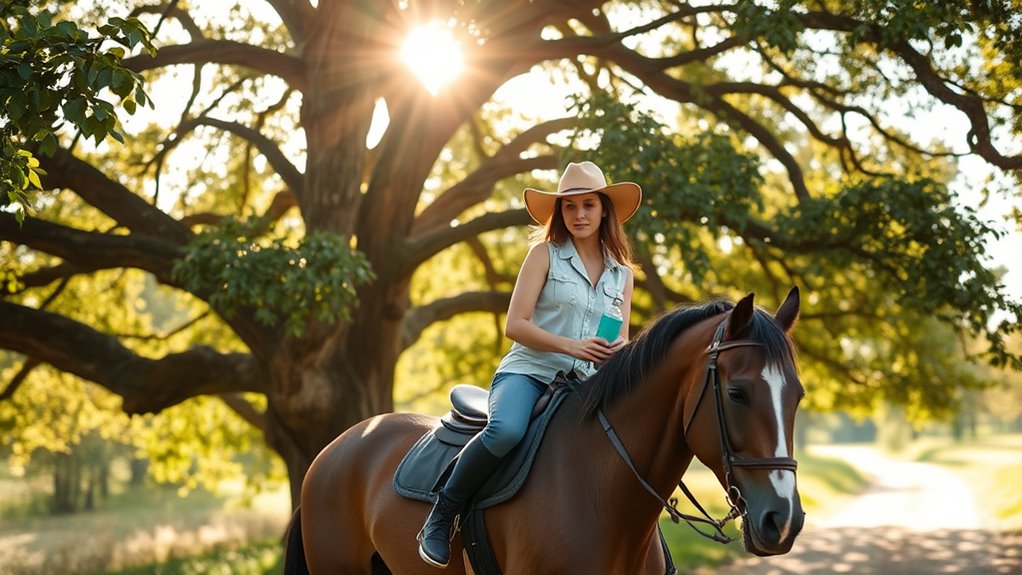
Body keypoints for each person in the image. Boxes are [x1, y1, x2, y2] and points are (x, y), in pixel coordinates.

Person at [417, 161, 641, 568]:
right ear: (560, 213)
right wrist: (572, 347)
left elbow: (620, 334)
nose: (579, 215)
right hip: (529, 373)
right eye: (569, 207)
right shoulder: (545, 256)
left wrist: (615, 351)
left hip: (587, 384)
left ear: (604, 209)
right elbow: (514, 324)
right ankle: (442, 513)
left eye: (588, 205)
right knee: (505, 431)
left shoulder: (621, 274)